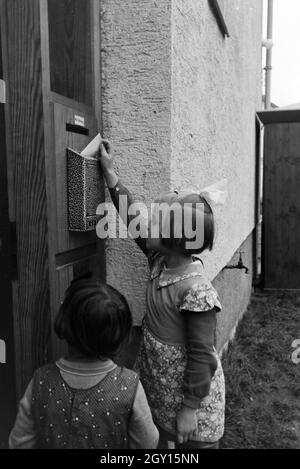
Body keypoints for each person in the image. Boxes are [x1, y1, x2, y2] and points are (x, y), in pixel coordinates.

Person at [98, 139, 226, 449]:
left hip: (190, 400)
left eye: (154, 221)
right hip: (162, 386)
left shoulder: (196, 291)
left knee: (192, 445)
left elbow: (201, 356)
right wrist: (110, 174)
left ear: (175, 238)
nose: (146, 223)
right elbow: (132, 219)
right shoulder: (160, 260)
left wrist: (189, 409)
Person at [9, 276, 159, 449]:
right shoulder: (129, 385)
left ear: (65, 321)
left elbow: (19, 442)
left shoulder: (40, 380)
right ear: (120, 334)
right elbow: (147, 443)